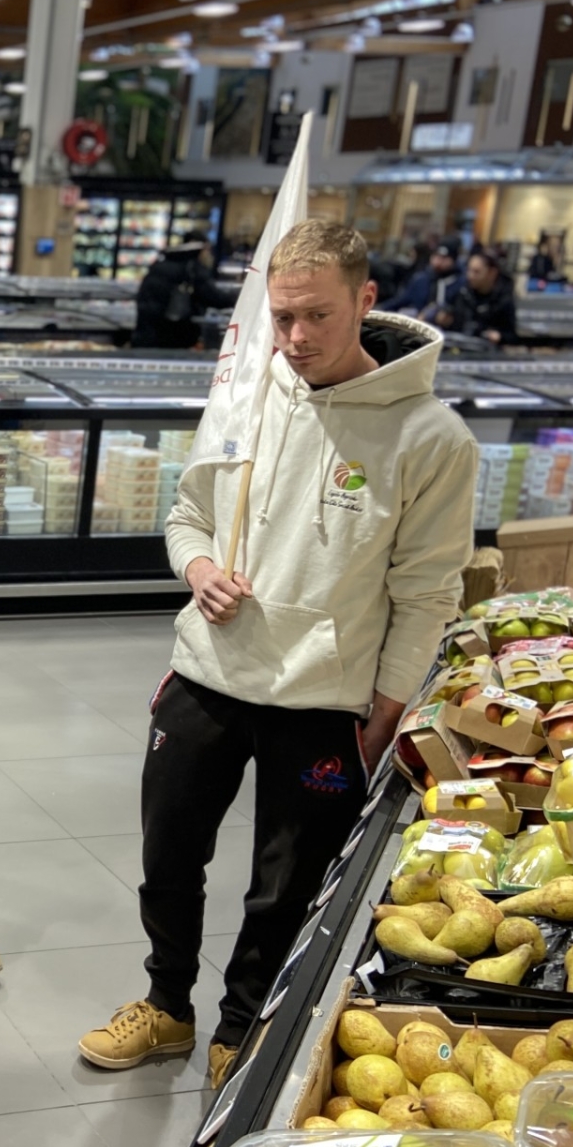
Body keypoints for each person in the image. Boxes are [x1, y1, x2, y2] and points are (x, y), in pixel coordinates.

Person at [78, 219, 477, 1091]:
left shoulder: (431, 437)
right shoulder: (249, 400)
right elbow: (186, 514)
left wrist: (386, 706)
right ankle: (167, 1007)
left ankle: (240, 1025)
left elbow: (427, 591)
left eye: (316, 317)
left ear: (367, 302)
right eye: (281, 317)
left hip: (323, 700)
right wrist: (200, 566)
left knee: (283, 884)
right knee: (167, 855)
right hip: (206, 678)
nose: (295, 339)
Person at [132, 232, 233, 349]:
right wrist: (239, 300)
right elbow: (213, 296)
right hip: (174, 336)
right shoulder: (191, 268)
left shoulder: (161, 264)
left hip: (146, 334)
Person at [434, 247, 519, 345]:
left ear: (492, 273)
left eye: (476, 272)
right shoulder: (462, 294)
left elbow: (512, 336)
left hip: (487, 354)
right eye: (469, 270)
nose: (470, 276)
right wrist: (445, 321)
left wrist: (499, 337)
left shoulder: (503, 300)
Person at [386, 239, 460, 317]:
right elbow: (401, 301)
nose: (438, 262)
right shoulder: (421, 280)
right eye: (436, 256)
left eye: (444, 258)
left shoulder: (459, 283)